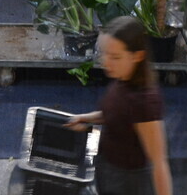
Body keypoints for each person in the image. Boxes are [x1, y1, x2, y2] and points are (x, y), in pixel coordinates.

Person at [64, 17, 173, 195]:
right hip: (109, 168)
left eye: (115, 57)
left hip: (128, 183)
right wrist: (86, 118)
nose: (106, 62)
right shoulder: (123, 79)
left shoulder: (145, 102)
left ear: (137, 56)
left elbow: (159, 162)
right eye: (104, 53)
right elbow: (116, 112)